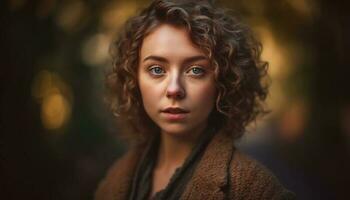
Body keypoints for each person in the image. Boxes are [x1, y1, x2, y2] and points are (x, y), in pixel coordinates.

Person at [95, 0, 295, 199]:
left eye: (195, 70)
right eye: (157, 70)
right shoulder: (116, 179)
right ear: (134, 79)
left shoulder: (254, 188)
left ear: (223, 81)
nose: (174, 89)